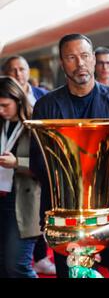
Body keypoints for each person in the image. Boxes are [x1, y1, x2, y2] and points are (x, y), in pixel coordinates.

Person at [31, 33, 109, 278]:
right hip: (66, 217)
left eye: (84, 56)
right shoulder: (46, 106)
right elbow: (40, 165)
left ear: (93, 59)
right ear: (62, 63)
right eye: (71, 57)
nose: (80, 63)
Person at [0, 76, 41, 278]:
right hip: (3, 199)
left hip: (23, 204)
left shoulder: (34, 125)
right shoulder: (2, 123)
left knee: (16, 265)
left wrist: (17, 163)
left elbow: (44, 165)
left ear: (17, 99)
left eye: (4, 105)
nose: (0, 110)